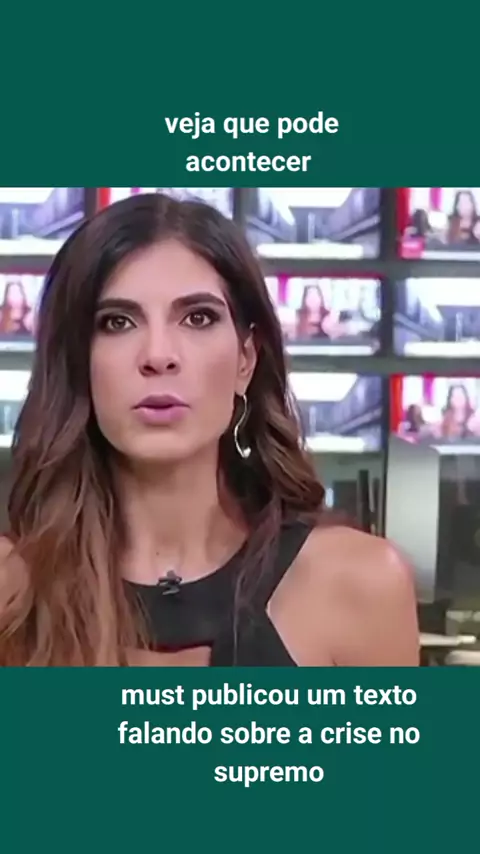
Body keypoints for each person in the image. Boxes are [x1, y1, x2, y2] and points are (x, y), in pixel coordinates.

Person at [0, 193, 419, 667]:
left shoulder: (359, 584)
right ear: (77, 362)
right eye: (117, 322)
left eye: (198, 318)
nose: (158, 355)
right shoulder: (12, 591)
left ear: (246, 360)